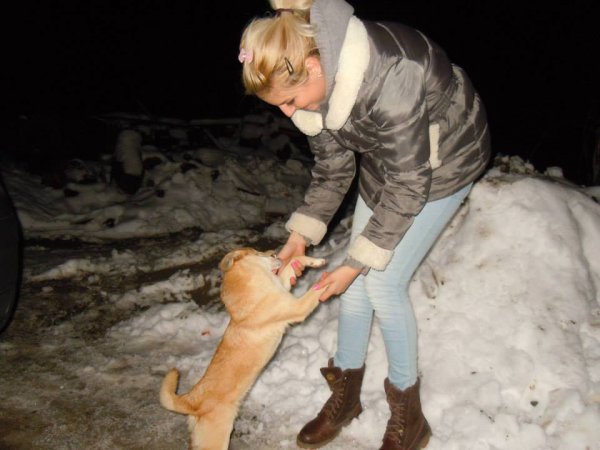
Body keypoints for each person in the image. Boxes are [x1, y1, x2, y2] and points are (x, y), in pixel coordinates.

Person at [239, 0, 491, 448]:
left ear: (314, 68)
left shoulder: (391, 75)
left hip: (445, 160)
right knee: (355, 287)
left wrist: (356, 263)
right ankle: (346, 397)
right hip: (392, 158)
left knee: (382, 284)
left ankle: (409, 418)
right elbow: (334, 170)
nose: (288, 113)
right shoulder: (316, 88)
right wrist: (300, 237)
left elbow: (410, 182)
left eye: (289, 101)